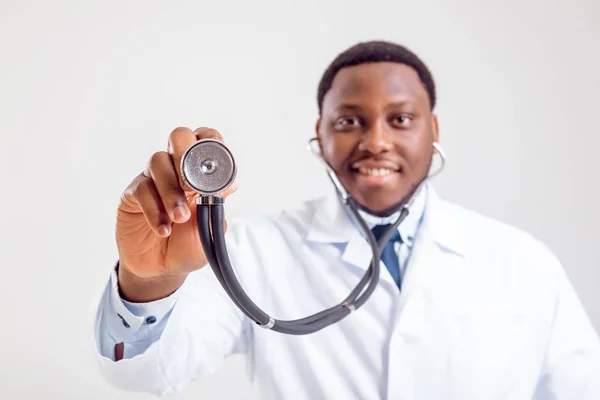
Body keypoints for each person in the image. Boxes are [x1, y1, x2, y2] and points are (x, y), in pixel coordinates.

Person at [92, 40, 600, 399]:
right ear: (321, 132)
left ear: (433, 130)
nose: (376, 141)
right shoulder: (249, 252)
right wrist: (148, 280)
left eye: (401, 119)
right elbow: (145, 375)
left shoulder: (523, 262)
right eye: (349, 120)